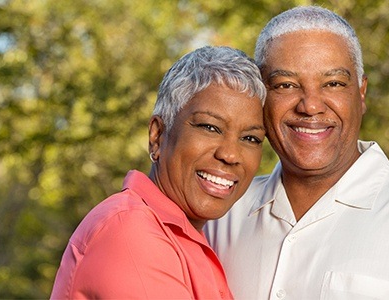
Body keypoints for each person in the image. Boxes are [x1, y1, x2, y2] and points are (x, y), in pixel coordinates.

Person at [205, 6, 389, 300]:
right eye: (286, 84)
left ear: (361, 93)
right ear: (260, 95)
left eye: (333, 84)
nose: (311, 106)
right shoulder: (222, 214)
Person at [50, 45, 266, 299]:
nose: (230, 155)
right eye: (210, 127)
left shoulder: (191, 238)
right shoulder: (130, 231)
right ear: (158, 135)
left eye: (250, 138)